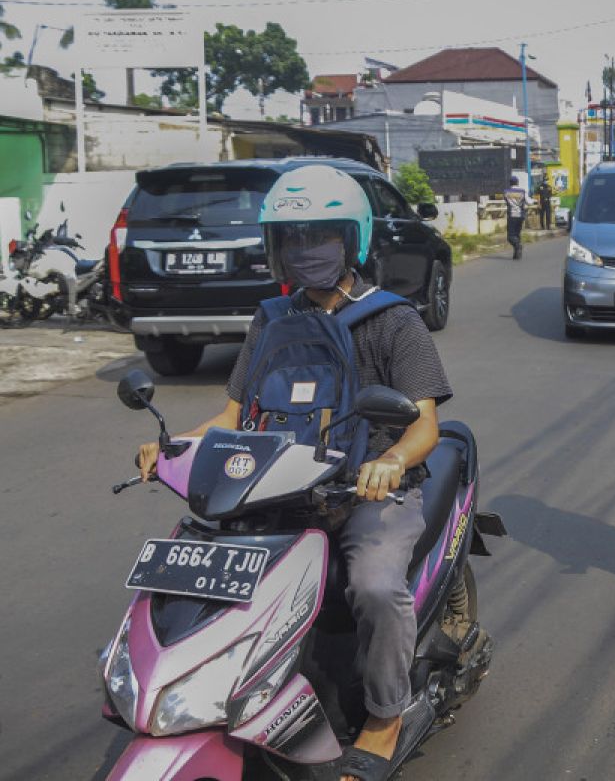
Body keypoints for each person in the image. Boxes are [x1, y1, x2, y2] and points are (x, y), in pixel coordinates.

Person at [134, 165, 453, 781]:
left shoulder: (393, 319)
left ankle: (388, 714)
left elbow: (425, 428)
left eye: (321, 236)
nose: (306, 251)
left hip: (365, 491)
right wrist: (171, 446)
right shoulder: (270, 319)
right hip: (275, 487)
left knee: (375, 585)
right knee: (214, 581)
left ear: (351, 239)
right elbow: (233, 413)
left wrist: (388, 463)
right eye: (293, 238)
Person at [504, 175, 528, 260]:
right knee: (517, 235)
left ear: (510, 183)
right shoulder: (522, 192)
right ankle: (516, 255)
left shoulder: (506, 192)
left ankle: (518, 246)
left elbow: (505, 201)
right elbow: (529, 201)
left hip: (512, 215)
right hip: (520, 216)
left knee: (510, 237)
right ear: (517, 183)